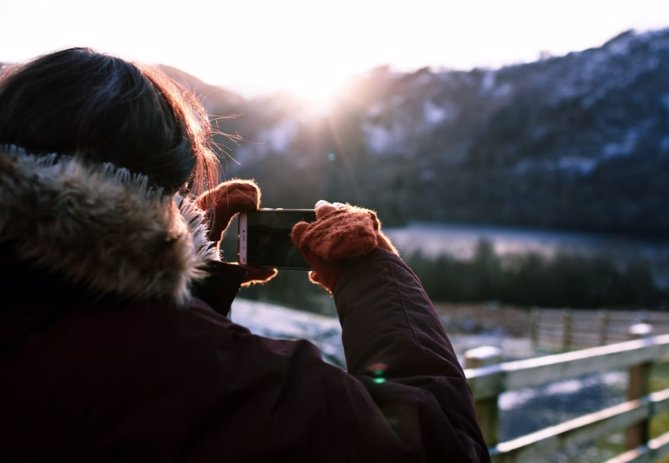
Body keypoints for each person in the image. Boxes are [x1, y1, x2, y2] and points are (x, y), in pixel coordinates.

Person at [0, 47, 490, 462]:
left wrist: (181, 277)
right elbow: (445, 444)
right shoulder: (184, 362)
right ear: (169, 190)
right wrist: (373, 271)